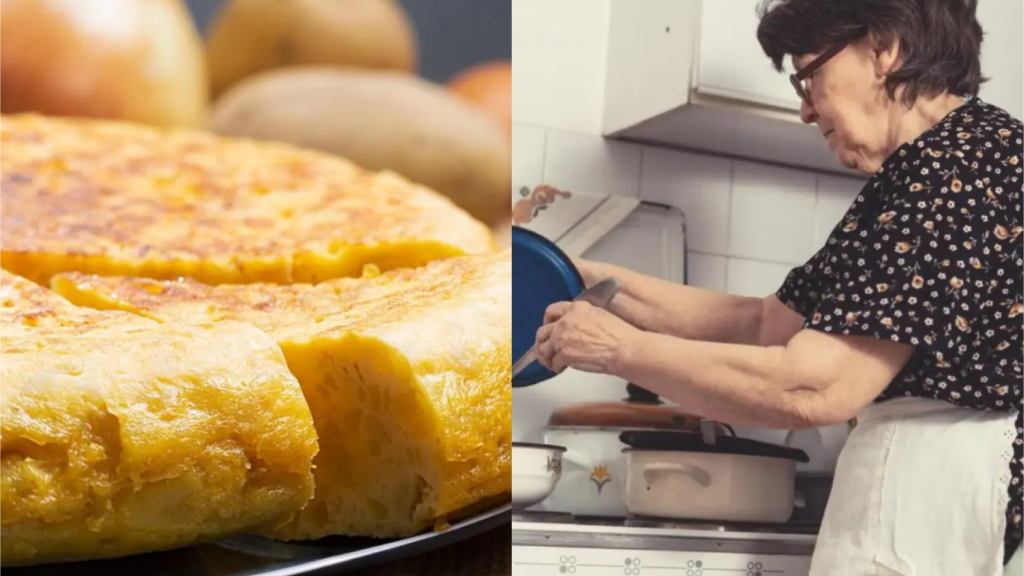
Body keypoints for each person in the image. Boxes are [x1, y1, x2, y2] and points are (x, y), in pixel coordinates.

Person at [532, 1, 1022, 574]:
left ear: (883, 49)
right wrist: (585, 278)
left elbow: (816, 385)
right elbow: (764, 324)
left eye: (808, 75)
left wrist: (619, 351)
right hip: (916, 493)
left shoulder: (955, 169)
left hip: (939, 499)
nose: (806, 110)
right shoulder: (926, 172)